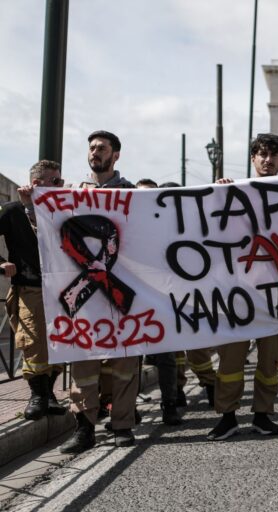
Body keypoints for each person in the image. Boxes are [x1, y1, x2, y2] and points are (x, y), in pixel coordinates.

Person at [61, 130, 142, 453]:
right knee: (83, 364)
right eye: (92, 148)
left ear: (116, 155)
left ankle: (122, 425)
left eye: (102, 148)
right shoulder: (71, 193)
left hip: (121, 294)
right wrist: (32, 207)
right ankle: (84, 429)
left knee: (124, 363)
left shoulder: (132, 193)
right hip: (86, 299)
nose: (95, 152)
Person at [207, 133, 278, 440]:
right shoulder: (233, 192)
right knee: (230, 359)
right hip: (238, 292)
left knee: (270, 360)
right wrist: (218, 194)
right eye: (262, 155)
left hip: (276, 294)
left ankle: (262, 415)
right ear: (253, 159)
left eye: (273, 155)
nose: (267, 160)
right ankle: (227, 416)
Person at [2, 160, 67, 421]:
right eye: (55, 182)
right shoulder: (11, 211)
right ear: (37, 184)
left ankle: (48, 394)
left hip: (62, 290)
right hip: (30, 288)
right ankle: (37, 396)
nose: (60, 186)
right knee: (34, 342)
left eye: (61, 182)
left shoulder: (61, 210)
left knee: (59, 345)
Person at [134, 179, 182, 426]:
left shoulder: (168, 226)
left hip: (162, 298)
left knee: (166, 356)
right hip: (131, 300)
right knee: (130, 357)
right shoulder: (129, 224)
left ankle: (170, 404)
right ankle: (126, 408)